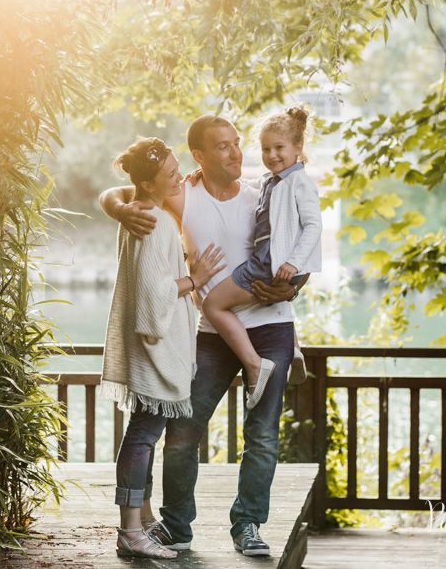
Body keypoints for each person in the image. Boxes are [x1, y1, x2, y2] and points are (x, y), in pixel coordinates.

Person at [99, 114, 305, 557]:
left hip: (270, 328)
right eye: (224, 146)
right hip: (211, 334)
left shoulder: (261, 194)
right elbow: (123, 191)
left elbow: (300, 239)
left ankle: (247, 525)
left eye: (236, 143)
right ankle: (175, 527)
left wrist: (294, 284)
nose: (236, 152)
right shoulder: (182, 194)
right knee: (182, 431)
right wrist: (119, 209)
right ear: (200, 156)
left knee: (263, 436)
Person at [100, 137, 226, 559]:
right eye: (170, 174)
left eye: (176, 168)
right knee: (142, 436)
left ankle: (142, 520)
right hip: (154, 353)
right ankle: (131, 532)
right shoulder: (152, 222)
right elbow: (154, 298)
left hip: (147, 353)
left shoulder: (140, 211)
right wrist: (195, 276)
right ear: (149, 184)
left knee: (143, 433)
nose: (179, 176)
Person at [201, 106, 322, 411]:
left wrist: (294, 264)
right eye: (266, 149)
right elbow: (247, 188)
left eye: (279, 148)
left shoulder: (300, 182)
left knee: (212, 304)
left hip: (269, 264)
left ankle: (255, 365)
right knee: (254, 300)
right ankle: (292, 349)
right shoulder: (273, 181)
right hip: (270, 262)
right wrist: (200, 175)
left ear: (298, 148)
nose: (272, 155)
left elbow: (313, 226)